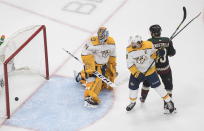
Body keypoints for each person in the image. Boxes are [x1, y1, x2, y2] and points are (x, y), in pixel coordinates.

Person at [125, 35, 175, 113]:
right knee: (132, 89)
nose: (134, 46)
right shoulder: (129, 49)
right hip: (137, 73)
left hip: (150, 72)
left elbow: (153, 56)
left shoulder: (148, 44)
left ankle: (169, 101)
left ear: (140, 42)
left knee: (158, 87)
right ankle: (132, 102)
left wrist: (158, 53)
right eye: (132, 44)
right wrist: (137, 73)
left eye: (135, 44)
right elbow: (130, 64)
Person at [75, 26, 117, 107]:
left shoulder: (111, 42)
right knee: (94, 82)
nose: (100, 39)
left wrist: (112, 66)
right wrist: (90, 66)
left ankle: (81, 76)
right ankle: (89, 97)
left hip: (104, 66)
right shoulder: (92, 42)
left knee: (104, 84)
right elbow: (85, 53)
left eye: (103, 37)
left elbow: (112, 55)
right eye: (99, 36)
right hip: (93, 66)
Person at [140, 24, 176, 112]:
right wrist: (168, 46)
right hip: (165, 68)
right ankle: (167, 105)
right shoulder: (167, 40)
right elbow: (172, 53)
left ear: (152, 33)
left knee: (146, 83)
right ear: (160, 32)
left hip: (152, 69)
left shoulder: (148, 42)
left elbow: (146, 56)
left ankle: (143, 98)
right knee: (168, 86)